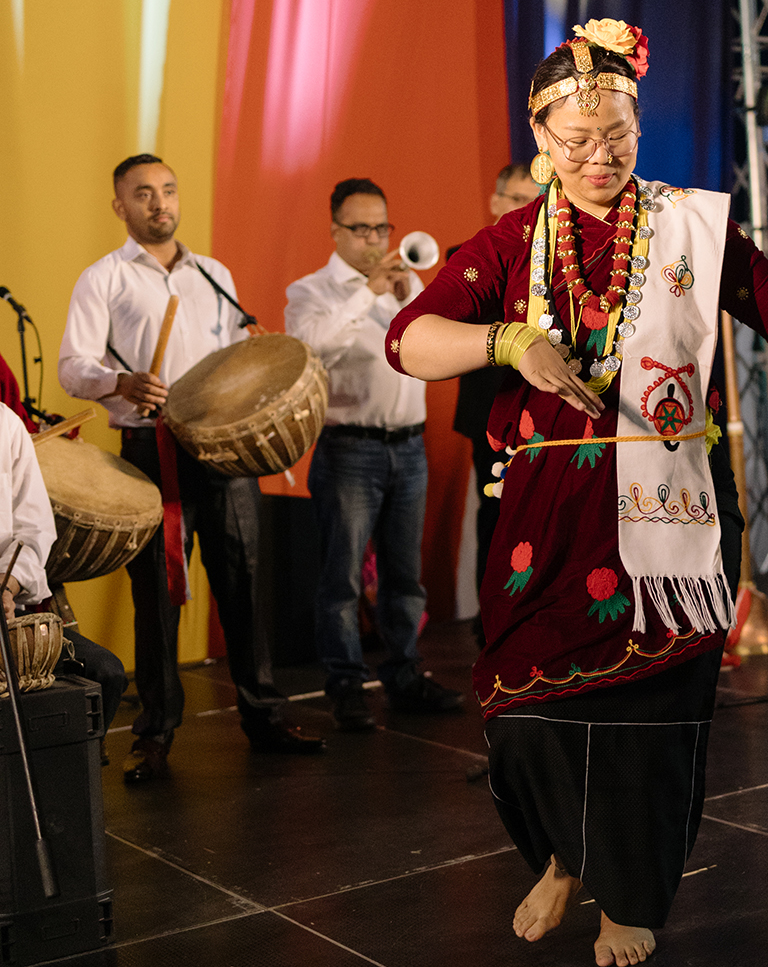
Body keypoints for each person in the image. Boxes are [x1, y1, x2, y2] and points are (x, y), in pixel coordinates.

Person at [387, 19, 768, 967]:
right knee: (520, 710)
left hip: (670, 503)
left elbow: (765, 290)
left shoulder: (688, 224)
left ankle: (631, 894)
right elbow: (410, 338)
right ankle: (564, 856)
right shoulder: (513, 243)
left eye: (616, 137)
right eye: (577, 142)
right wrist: (504, 343)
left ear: (638, 132)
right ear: (542, 145)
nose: (599, 156)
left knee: (652, 715)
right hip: (545, 513)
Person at [59, 154, 324, 782]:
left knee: (244, 583)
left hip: (221, 452)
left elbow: (236, 365)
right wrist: (118, 381)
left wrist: (257, 354)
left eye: (169, 191)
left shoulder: (212, 274)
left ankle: (263, 715)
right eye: (144, 194)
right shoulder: (104, 278)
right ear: (120, 206)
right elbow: (74, 364)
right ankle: (154, 732)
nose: (160, 204)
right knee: (156, 596)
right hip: (152, 453)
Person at [285, 177, 460, 731]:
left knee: (405, 577)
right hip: (349, 448)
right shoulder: (309, 292)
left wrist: (409, 297)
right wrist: (369, 293)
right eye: (360, 229)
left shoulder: (408, 284)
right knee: (340, 579)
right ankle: (345, 685)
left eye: (380, 227)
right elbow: (313, 350)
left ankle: (405, 675)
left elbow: (433, 345)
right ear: (335, 231)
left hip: (409, 445)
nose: (373, 239)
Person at [452, 162, 541, 640]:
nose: (525, 209)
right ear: (495, 201)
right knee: (496, 513)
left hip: (545, 412)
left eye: (534, 199)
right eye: (515, 198)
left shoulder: (553, 262)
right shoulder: (467, 258)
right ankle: (492, 623)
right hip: (489, 411)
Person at [0, 404, 128, 732]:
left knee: (105, 673)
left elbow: (34, 530)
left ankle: (72, 776)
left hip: (9, 615)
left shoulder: (7, 425)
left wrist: (9, 583)